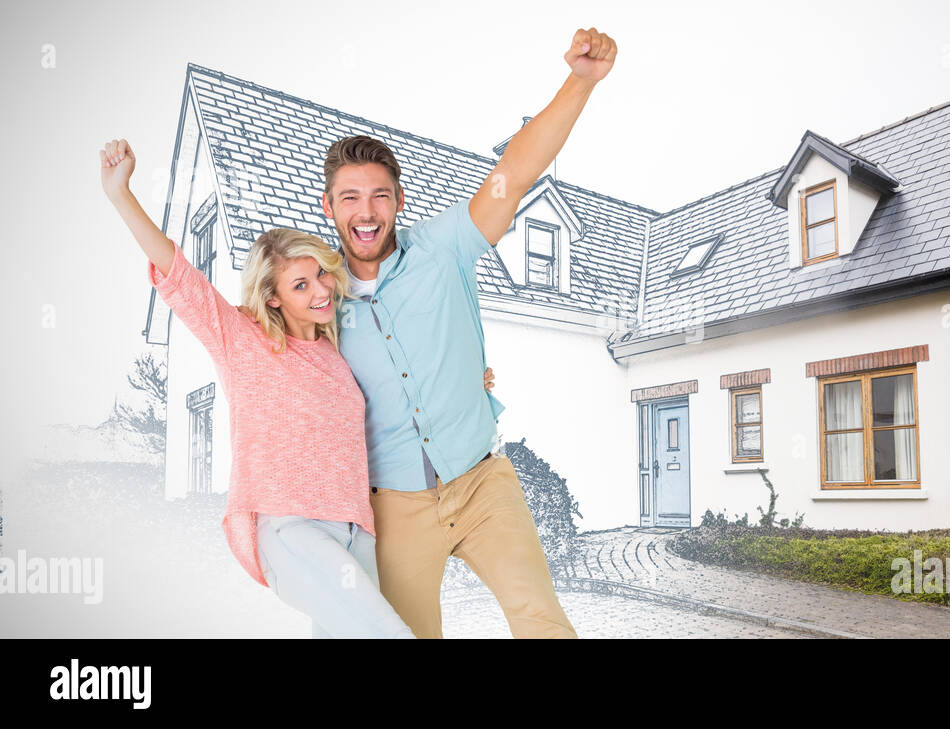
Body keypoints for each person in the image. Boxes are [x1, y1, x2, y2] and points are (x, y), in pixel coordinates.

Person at [99, 137, 493, 638]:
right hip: (293, 529)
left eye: (320, 276)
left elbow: (407, 369)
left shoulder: (340, 350)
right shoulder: (246, 341)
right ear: (275, 299)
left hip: (357, 534)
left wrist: (469, 377)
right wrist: (121, 196)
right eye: (300, 285)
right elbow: (180, 276)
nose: (321, 290)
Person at [322, 26, 617, 639]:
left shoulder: (444, 246)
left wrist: (581, 80)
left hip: (483, 480)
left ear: (399, 200)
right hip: (395, 505)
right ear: (330, 208)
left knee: (542, 621)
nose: (366, 210)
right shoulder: (318, 301)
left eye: (379, 195)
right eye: (350, 198)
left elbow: (516, 169)